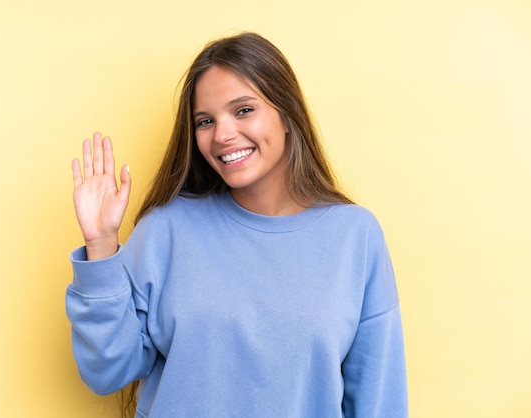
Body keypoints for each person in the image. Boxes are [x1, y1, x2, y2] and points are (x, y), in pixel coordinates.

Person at [66, 32, 408, 418]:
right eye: (205, 121)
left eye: (243, 110)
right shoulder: (166, 230)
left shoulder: (354, 237)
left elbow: (379, 399)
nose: (223, 135)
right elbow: (107, 372)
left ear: (288, 116)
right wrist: (101, 244)